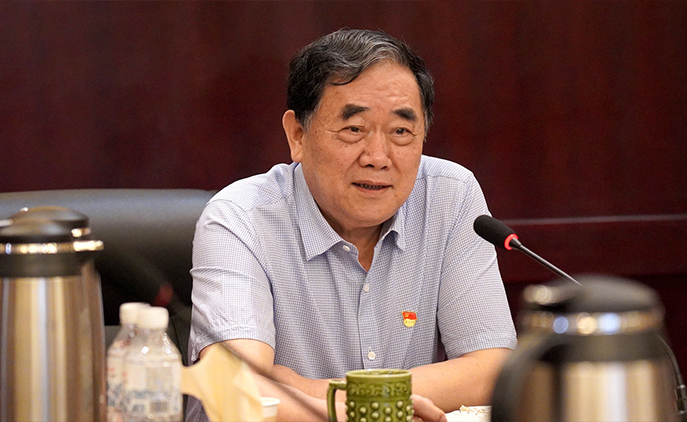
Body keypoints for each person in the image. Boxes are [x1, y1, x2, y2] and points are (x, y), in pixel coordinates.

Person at [186, 28, 517, 422]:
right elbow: (236, 388)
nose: (377, 157)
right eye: (354, 129)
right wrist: (374, 410)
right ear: (298, 135)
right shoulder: (240, 217)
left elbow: (493, 369)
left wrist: (316, 391)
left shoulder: (450, 195)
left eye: (400, 132)